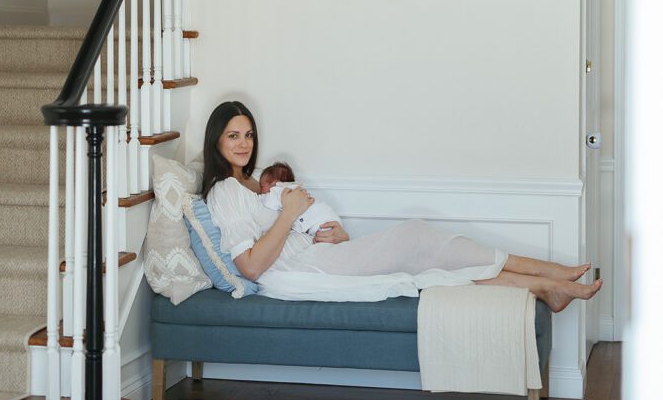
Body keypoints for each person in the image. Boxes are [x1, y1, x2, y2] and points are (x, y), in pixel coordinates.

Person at [201, 101, 603, 310]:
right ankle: (548, 273)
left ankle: (546, 285)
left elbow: (296, 223)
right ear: (216, 140)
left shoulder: (257, 184)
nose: (243, 143)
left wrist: (328, 232)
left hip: (321, 254)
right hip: (298, 272)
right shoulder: (224, 192)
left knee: (432, 266)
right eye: (233, 135)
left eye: (249, 134)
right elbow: (250, 266)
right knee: (415, 237)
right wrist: (289, 217)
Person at [258, 161, 342, 238]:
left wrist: (258, 196)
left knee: (323, 239)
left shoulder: (280, 190)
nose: (260, 190)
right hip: (328, 216)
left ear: (274, 184)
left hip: (322, 222)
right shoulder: (295, 189)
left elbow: (268, 201)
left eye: (261, 186)